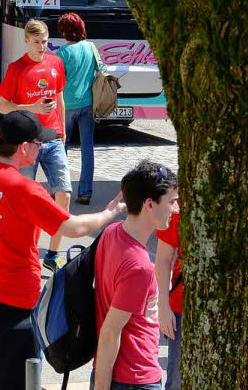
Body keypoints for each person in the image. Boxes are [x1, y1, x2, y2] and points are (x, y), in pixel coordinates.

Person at [0, 111, 125, 390]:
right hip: (15, 306)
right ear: (24, 147)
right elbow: (73, 228)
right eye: (39, 143)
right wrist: (108, 213)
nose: (42, 148)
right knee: (19, 382)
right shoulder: (23, 188)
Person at [93, 161, 179, 390]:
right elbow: (111, 331)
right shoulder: (139, 267)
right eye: (171, 202)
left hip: (119, 375)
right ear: (149, 204)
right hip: (134, 379)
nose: (176, 208)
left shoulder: (111, 233)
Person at [0, 18, 71, 271]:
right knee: (23, 200)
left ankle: (52, 253)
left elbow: (60, 98)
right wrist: (33, 107)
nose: (42, 46)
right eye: (37, 42)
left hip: (53, 138)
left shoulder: (55, 63)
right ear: (26, 41)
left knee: (64, 194)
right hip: (26, 143)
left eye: (45, 42)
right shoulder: (17, 68)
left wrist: (63, 129)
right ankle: (20, 250)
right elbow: (3, 107)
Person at [56, 12, 101, 204]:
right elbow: (102, 70)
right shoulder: (91, 47)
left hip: (66, 105)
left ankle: (62, 188)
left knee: (60, 148)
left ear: (64, 31)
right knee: (87, 148)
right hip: (88, 103)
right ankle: (85, 192)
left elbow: (57, 81)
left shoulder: (62, 53)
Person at [155, 201, 183, 390]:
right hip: (181, 306)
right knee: (177, 378)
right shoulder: (180, 205)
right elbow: (163, 259)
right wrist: (163, 307)